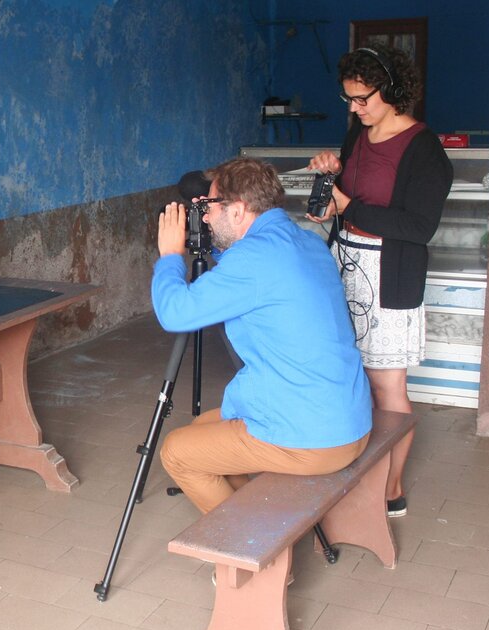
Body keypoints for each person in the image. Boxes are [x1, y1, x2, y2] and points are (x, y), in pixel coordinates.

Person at [153, 157, 373, 515]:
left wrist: (169, 257)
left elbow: (175, 314)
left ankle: (249, 545)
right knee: (202, 426)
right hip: (347, 415)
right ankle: (257, 517)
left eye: (210, 206)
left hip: (315, 435)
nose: (205, 217)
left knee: (176, 452)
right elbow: (251, 274)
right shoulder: (306, 241)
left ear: (238, 210)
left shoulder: (251, 261)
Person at [307, 45, 453, 517]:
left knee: (387, 385)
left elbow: (419, 227)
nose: (354, 108)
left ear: (390, 90)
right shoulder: (359, 134)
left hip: (390, 274)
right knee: (351, 374)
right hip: (346, 264)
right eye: (348, 99)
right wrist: (331, 181)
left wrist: (351, 207)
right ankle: (355, 470)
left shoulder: (424, 150)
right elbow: (348, 198)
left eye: (362, 98)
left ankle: (391, 487)